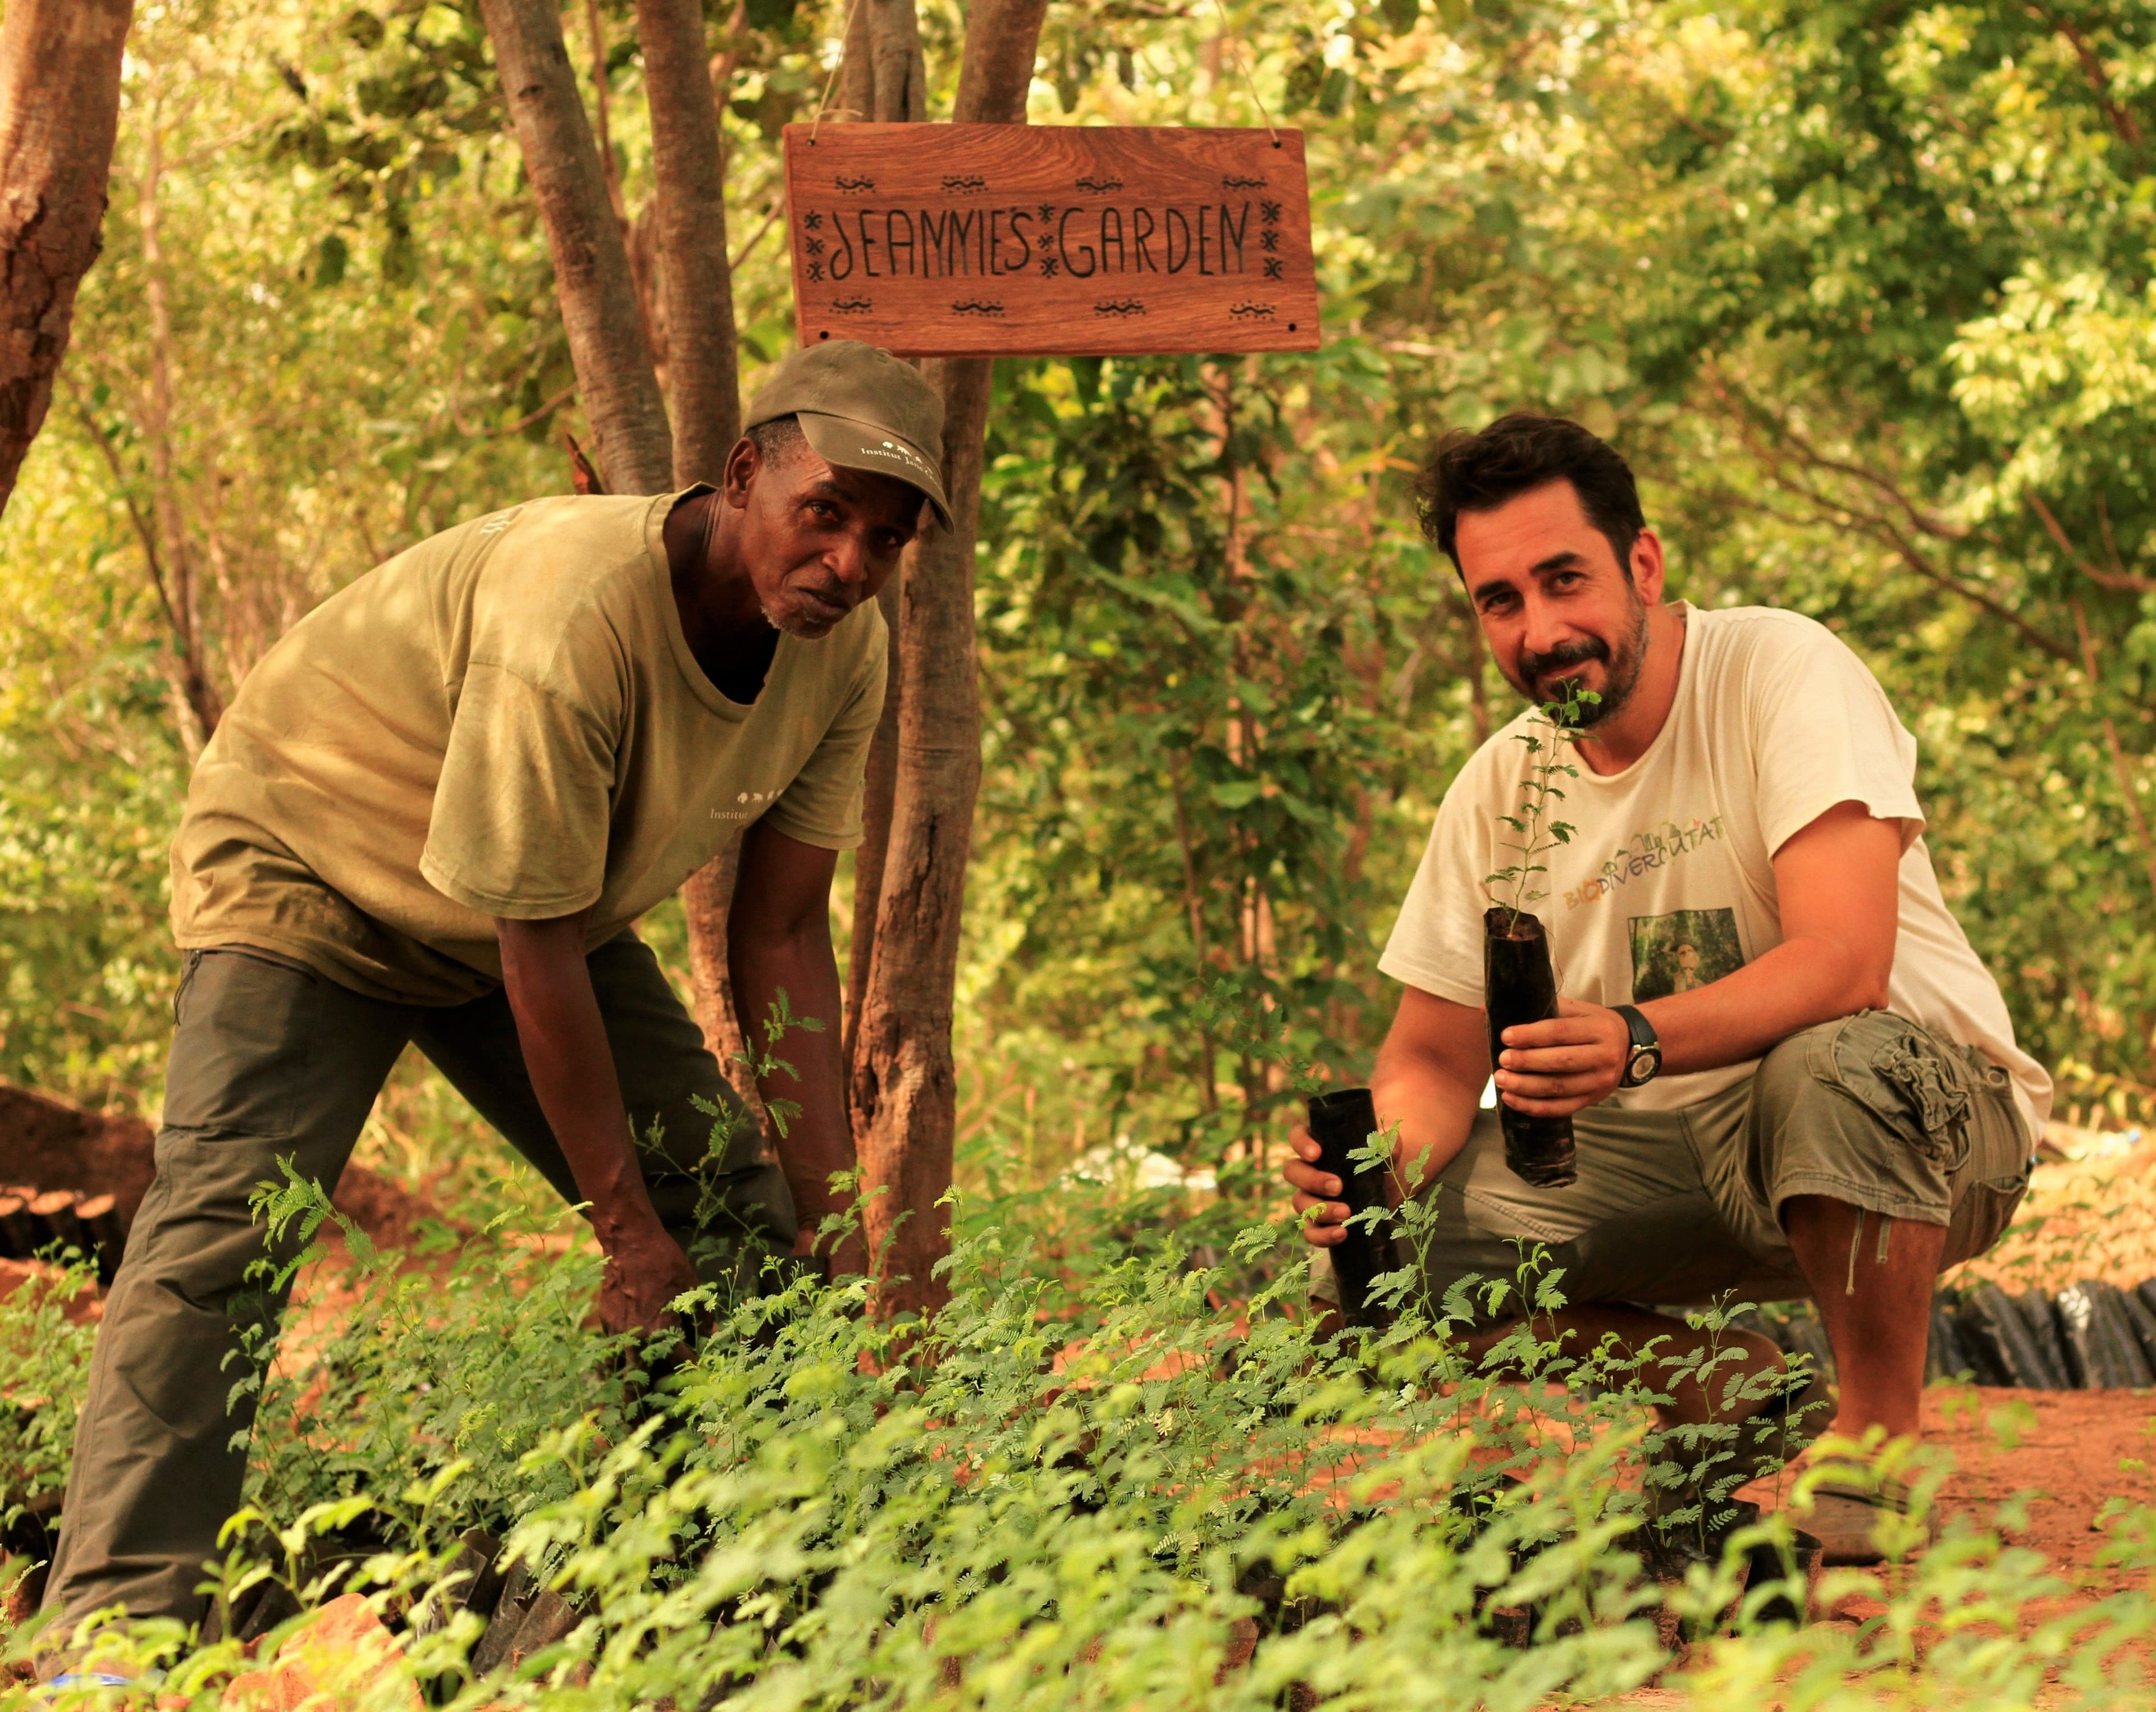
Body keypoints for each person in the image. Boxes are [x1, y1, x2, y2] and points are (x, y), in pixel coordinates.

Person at [40, 340, 946, 1650]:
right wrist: (621, 1229)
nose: (848, 565)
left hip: (532, 900)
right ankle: (111, 1638)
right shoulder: (572, 616)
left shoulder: (842, 657)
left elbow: (785, 932)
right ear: (745, 472)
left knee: (745, 1217)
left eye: (884, 538)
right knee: (224, 1234)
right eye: (824, 515)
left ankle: (714, 1576)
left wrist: (839, 1224)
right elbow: (531, 948)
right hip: (316, 863)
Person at [1285, 414, 2047, 1563]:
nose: (1541, 631)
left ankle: (1875, 1448)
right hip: (1661, 1161)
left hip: (1927, 1139)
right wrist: (1377, 1162)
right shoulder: (1501, 786)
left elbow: (1850, 960)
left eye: (1564, 579)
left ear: (1643, 563)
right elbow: (1434, 1058)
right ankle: (1712, 1378)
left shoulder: (1782, 668)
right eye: (1501, 600)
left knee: (1837, 1052)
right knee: (1364, 1259)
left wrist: (1633, 1038)